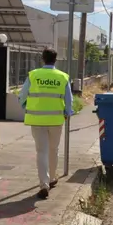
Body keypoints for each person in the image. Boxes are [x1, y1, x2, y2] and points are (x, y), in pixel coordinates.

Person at [18, 47, 74, 199]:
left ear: (42, 59)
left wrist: (25, 106)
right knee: (53, 149)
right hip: (56, 120)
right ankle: (52, 178)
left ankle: (44, 184)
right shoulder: (63, 77)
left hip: (36, 119)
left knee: (41, 151)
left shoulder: (34, 75)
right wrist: (68, 113)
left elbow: (22, 95)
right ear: (55, 60)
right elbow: (69, 100)